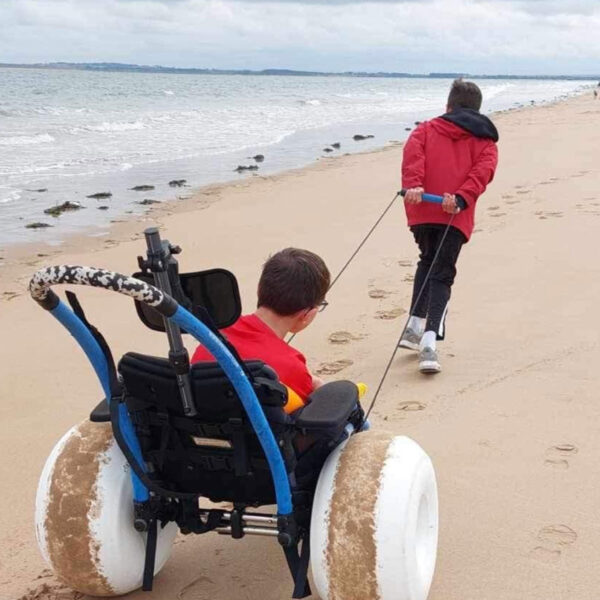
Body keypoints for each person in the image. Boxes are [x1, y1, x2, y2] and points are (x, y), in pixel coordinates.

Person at [400, 79, 499, 374]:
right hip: (448, 214)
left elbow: (481, 172)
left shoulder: (427, 129)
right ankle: (429, 340)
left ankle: (414, 326)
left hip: (434, 211)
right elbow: (481, 174)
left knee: (429, 261)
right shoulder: (483, 140)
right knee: (441, 271)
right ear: (478, 110)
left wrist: (422, 187)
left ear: (448, 107)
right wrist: (416, 186)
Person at [191, 247, 329, 413]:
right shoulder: (292, 365)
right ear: (307, 315)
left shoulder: (213, 337)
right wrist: (321, 389)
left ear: (259, 289)